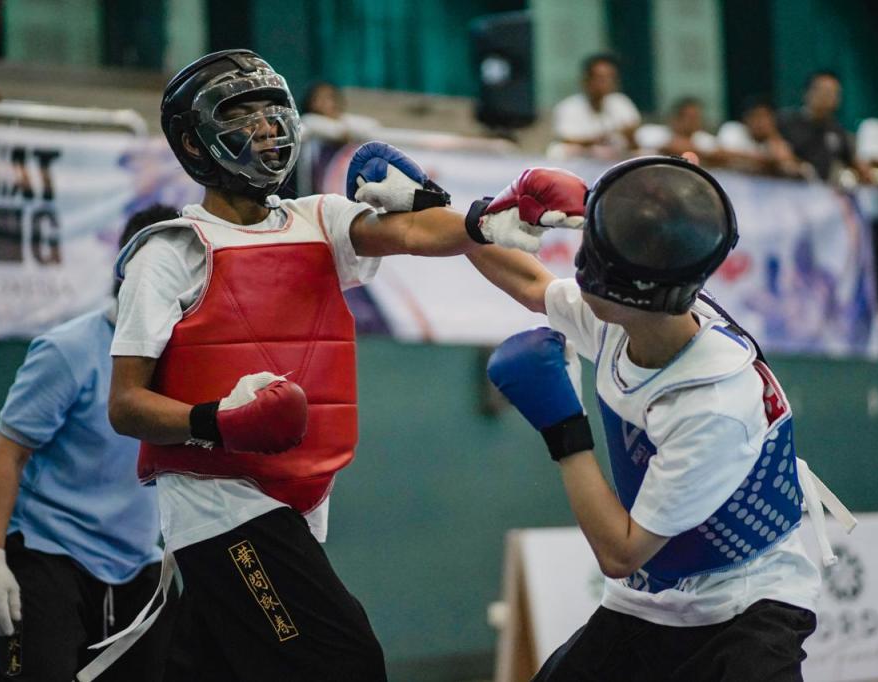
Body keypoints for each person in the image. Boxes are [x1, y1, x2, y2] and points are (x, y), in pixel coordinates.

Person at [98, 49, 577, 681]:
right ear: (195, 140)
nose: (268, 127)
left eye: (274, 110)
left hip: (301, 495)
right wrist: (219, 422)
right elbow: (126, 405)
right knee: (341, 659)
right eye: (244, 113)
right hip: (219, 501)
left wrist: (490, 216)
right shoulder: (170, 253)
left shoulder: (316, 218)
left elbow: (409, 232)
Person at [459, 156, 854, 681]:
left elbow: (621, 552)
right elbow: (529, 283)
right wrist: (469, 218)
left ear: (615, 291)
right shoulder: (633, 319)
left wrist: (563, 429)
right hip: (650, 601)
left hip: (744, 608)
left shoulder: (710, 405)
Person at [0, 204, 178, 681]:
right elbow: (9, 454)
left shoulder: (179, 359)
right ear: (129, 271)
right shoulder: (67, 351)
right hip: (51, 553)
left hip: (137, 560)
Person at [778, 71, 869, 182]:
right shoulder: (785, 121)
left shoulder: (836, 130)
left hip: (820, 192)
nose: (828, 97)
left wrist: (866, 172)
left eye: (834, 93)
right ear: (807, 93)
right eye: (823, 91)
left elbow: (852, 162)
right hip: (785, 188)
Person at [549, 53, 642, 159]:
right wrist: (597, 140)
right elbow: (566, 140)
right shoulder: (568, 107)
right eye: (600, 78)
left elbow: (634, 143)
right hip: (582, 164)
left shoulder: (621, 103)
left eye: (610, 78)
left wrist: (630, 136)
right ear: (586, 80)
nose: (605, 83)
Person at [717, 96, 805, 177]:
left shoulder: (773, 141)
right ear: (746, 118)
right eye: (756, 116)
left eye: (766, 117)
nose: (760, 123)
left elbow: (788, 164)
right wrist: (766, 161)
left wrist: (773, 136)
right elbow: (720, 154)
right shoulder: (733, 129)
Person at [635, 97, 720, 161]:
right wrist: (706, 154)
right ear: (676, 118)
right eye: (690, 118)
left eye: (697, 117)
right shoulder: (653, 132)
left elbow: (722, 154)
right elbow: (674, 148)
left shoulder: (704, 138)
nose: (695, 122)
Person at [299, 80, 380, 143]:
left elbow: (373, 126)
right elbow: (341, 134)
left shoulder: (345, 119)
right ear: (310, 103)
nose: (325, 102)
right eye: (318, 98)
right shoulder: (308, 121)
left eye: (329, 97)